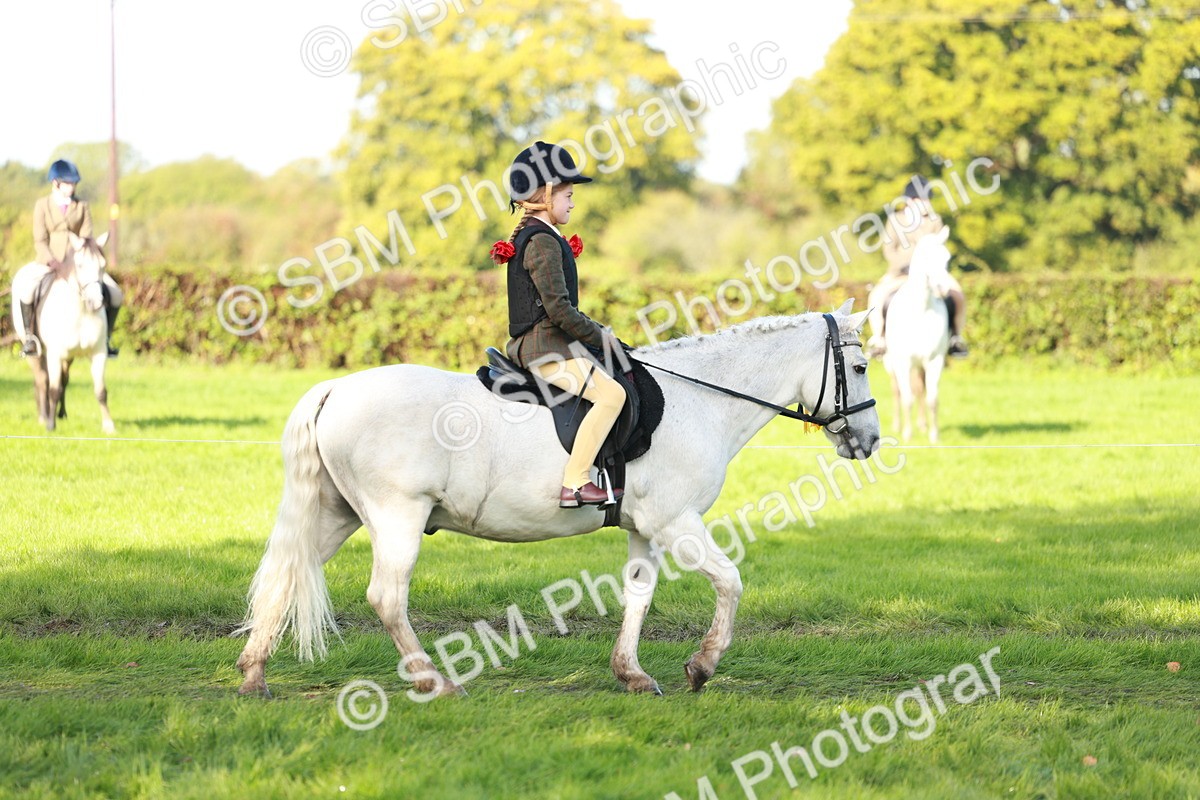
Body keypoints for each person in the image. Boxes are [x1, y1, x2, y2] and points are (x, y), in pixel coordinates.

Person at [498, 141, 627, 509]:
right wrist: (603, 339)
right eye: (568, 195)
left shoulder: (541, 236)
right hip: (544, 349)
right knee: (611, 395)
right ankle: (575, 482)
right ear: (547, 193)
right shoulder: (541, 241)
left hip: (549, 344)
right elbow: (560, 311)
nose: (572, 203)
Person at [13, 159, 123, 357]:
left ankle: (105, 340)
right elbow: (40, 239)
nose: (72, 187)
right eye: (68, 183)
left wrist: (75, 261)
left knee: (115, 293)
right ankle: (30, 338)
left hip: (79, 265)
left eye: (74, 183)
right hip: (48, 262)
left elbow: (87, 236)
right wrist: (52, 261)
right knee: (27, 290)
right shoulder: (42, 205)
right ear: (56, 183)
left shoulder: (82, 206)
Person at [866, 174, 967, 358]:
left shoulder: (934, 220)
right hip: (901, 272)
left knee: (957, 294)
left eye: (927, 199)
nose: (928, 203)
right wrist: (908, 264)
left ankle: (956, 338)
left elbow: (939, 246)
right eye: (924, 199)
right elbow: (889, 250)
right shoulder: (895, 220)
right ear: (911, 201)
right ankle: (878, 338)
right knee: (877, 296)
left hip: (931, 272)